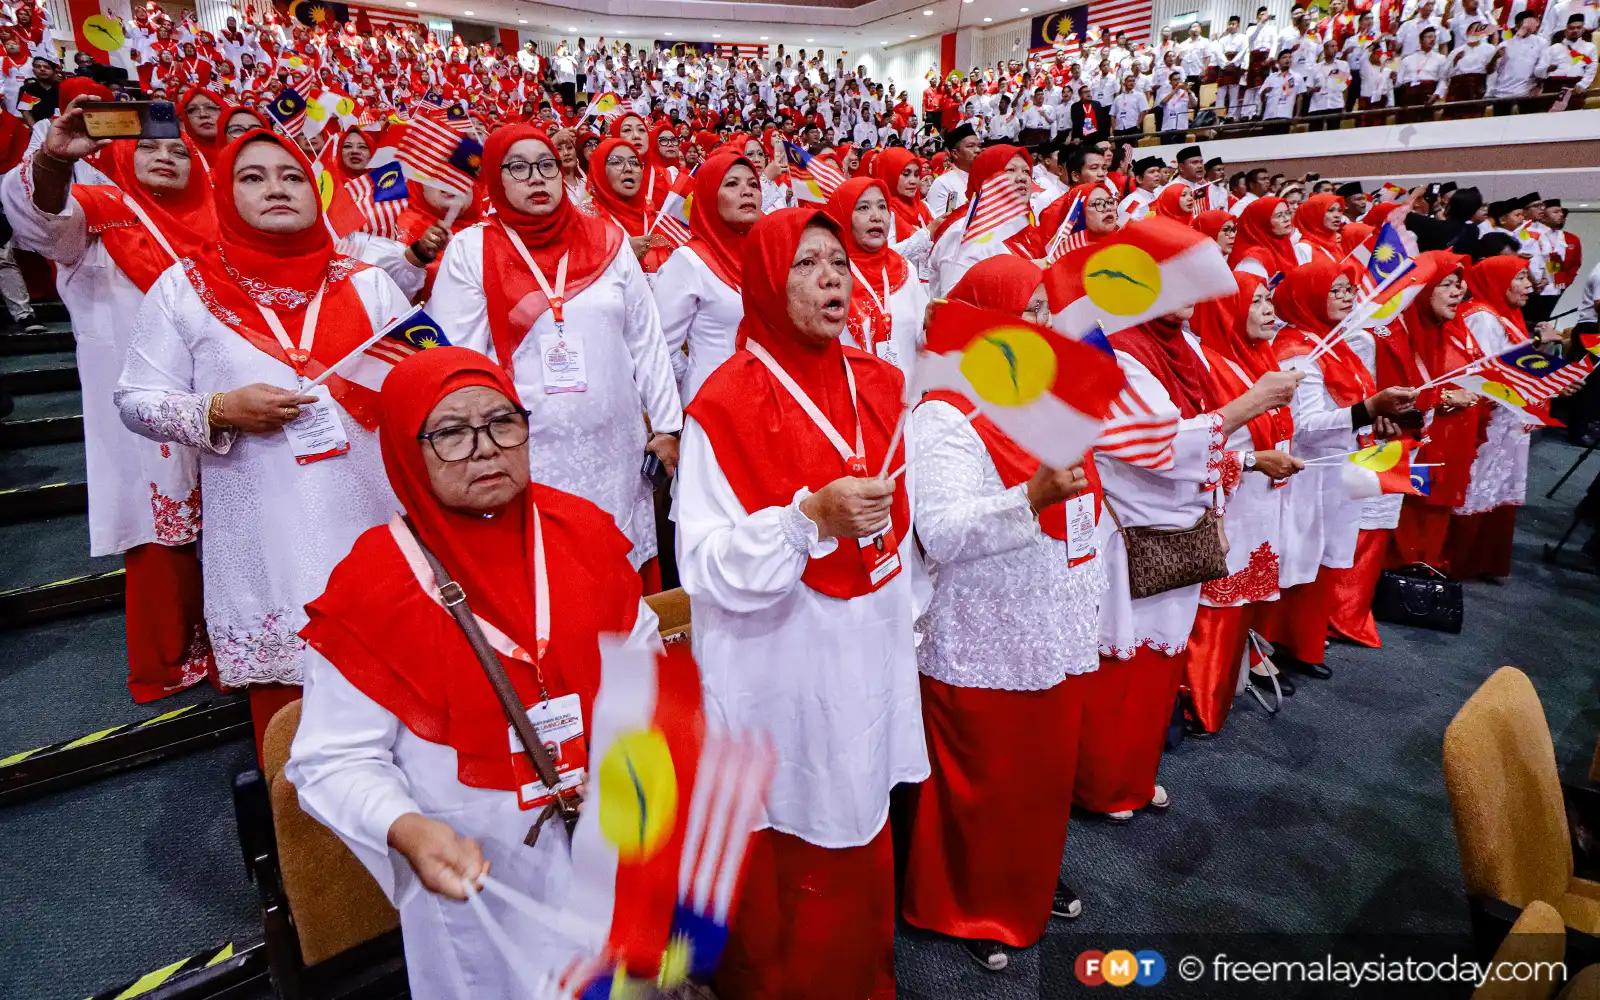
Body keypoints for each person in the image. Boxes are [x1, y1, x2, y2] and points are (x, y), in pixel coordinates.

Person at [288, 347, 661, 1000]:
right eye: (451, 433)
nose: (484, 448)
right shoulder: (375, 586)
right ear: (408, 450)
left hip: (609, 847)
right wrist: (406, 829)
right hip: (479, 880)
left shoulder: (586, 537)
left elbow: (642, 660)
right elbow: (331, 761)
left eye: (501, 422)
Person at [675, 208, 927, 999]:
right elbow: (704, 565)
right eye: (808, 264)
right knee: (796, 820)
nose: (833, 278)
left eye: (840, 264)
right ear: (764, 280)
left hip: (871, 643)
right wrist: (806, 519)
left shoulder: (883, 382)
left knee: (862, 808)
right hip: (779, 660)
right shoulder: (723, 401)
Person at [115, 130, 409, 752]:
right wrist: (219, 410)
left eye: (292, 175)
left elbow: (420, 382)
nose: (276, 187)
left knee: (405, 703)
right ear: (224, 192)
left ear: (315, 192)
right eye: (253, 177)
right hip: (263, 526)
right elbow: (135, 400)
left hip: (372, 516)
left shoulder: (370, 284)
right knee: (297, 736)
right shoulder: (184, 288)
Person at [901, 257, 1102, 971]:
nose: (1044, 326)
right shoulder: (944, 409)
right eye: (1029, 310)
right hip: (983, 633)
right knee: (985, 783)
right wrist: (1030, 501)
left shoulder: (1046, 397)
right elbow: (942, 530)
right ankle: (965, 906)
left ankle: (1025, 883)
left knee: (1040, 776)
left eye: (1049, 310)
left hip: (1054, 622)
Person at [2, 100, 218, 702]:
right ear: (124, 154)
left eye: (179, 150)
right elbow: (36, 221)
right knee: (160, 530)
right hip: (141, 411)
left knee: (237, 525)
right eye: (151, 147)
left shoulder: (222, 223)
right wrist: (50, 160)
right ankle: (170, 659)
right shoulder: (94, 216)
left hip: (221, 399)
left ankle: (235, 647)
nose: (167, 157)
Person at [427, 126, 683, 584]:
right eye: (518, 168)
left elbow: (646, 340)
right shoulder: (472, 250)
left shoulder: (608, 242)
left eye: (546, 165)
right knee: (554, 582)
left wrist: (666, 426)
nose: (537, 178)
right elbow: (458, 360)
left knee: (620, 576)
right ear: (495, 178)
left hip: (616, 450)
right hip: (530, 452)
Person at [1080, 304, 1299, 819]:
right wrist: (1252, 403)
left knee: (1158, 665)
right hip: (1132, 530)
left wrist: (1221, 494)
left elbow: (1199, 440)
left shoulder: (1182, 349)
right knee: (1122, 661)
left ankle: (1132, 776)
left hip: (1178, 524)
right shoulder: (1121, 350)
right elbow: (1157, 444)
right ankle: (1100, 784)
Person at [1257, 259, 1416, 680]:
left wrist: (1374, 418)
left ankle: (1303, 642)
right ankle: (1270, 648)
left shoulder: (1336, 342)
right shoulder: (1299, 353)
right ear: (1309, 296)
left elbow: (1354, 407)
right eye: (1336, 290)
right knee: (1297, 556)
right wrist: (1366, 410)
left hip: (1338, 466)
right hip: (1307, 472)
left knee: (1325, 556)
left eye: (1350, 289)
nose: (1347, 297)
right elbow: (1303, 427)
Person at [1183, 274, 1303, 732]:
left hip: (1258, 504)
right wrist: (1253, 461)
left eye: (1270, 299)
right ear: (1226, 310)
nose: (1269, 309)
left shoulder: (1259, 359)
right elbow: (1195, 450)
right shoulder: (1208, 368)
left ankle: (1220, 694)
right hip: (1226, 507)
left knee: (1239, 610)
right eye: (1255, 302)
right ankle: (1199, 703)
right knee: (1215, 610)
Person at [1442, 256, 1539, 579]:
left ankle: (1480, 560)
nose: (1530, 286)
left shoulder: (1508, 315)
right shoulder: (1483, 317)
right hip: (1486, 418)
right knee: (1478, 483)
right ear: (1499, 281)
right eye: (1521, 278)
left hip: (1505, 420)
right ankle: (1457, 561)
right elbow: (1478, 374)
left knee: (1495, 484)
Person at [654, 150, 760, 404]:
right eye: (732, 184)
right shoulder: (688, 262)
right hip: (714, 406)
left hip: (767, 403)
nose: (747, 191)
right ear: (709, 195)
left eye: (753, 184)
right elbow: (660, 350)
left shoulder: (765, 257)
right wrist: (696, 376)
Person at [823, 177, 927, 380]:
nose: (876, 216)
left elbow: (921, 341)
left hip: (906, 402)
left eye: (882, 207)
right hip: (850, 401)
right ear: (843, 216)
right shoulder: (827, 275)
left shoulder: (906, 271)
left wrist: (932, 327)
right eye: (863, 208)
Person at [585, 136, 674, 275]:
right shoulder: (585, 220)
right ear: (599, 170)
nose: (628, 168)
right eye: (616, 162)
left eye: (634, 162)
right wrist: (622, 253)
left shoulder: (653, 216)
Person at [1230, 196, 1299, 278]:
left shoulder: (1284, 243)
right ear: (1262, 222)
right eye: (1279, 215)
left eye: (1287, 213)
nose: (1287, 219)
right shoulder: (1252, 261)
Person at [924, 122, 979, 216]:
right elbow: (941, 224)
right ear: (955, 153)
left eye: (979, 146)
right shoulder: (943, 183)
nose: (978, 150)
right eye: (970, 146)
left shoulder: (983, 178)